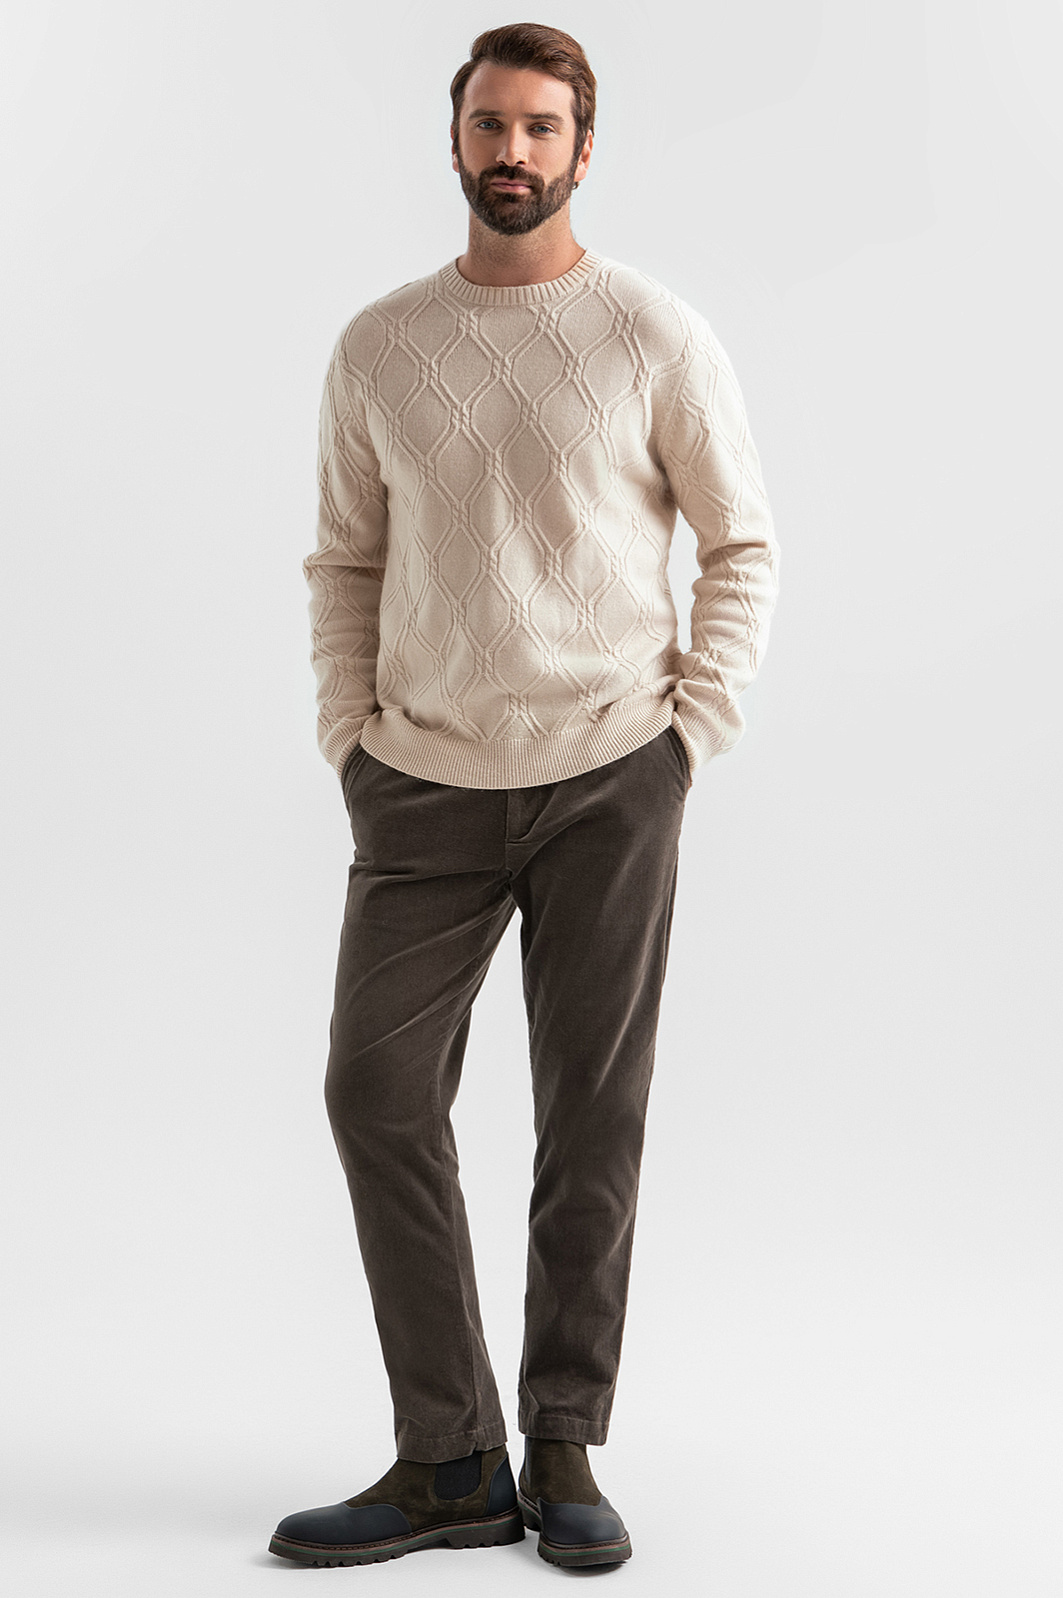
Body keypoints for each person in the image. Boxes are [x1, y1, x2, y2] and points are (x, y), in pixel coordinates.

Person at [269, 21, 779, 1571]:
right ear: (455, 140)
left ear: (582, 149)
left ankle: (561, 1440)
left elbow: (741, 542)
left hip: (611, 772)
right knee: (375, 1090)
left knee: (589, 1113)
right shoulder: (379, 346)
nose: (513, 151)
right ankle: (449, 1458)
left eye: (541, 128)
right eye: (491, 124)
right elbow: (345, 560)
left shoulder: (652, 334)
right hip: (420, 784)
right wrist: (351, 737)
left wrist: (689, 735)